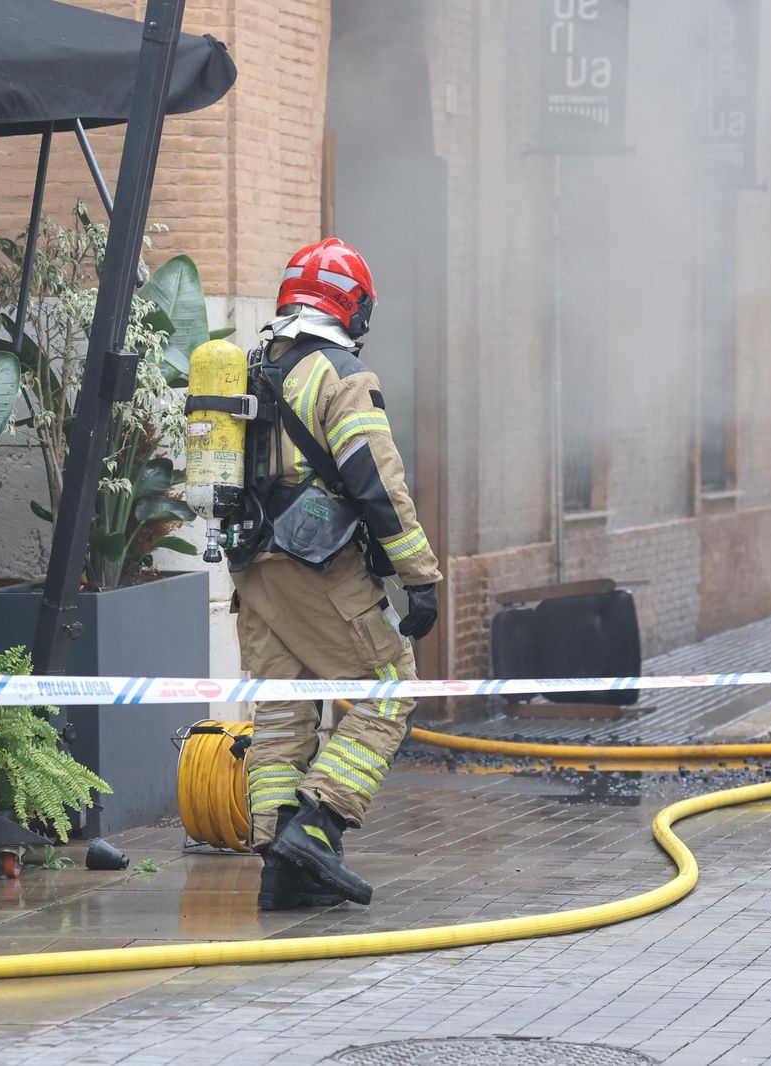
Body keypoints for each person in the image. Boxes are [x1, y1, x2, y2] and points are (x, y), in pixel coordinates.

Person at [229, 238, 441, 909]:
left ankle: (281, 872)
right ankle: (319, 825)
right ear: (353, 306)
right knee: (390, 689)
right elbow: (376, 482)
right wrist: (419, 574)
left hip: (252, 570)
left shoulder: (254, 367)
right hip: (318, 568)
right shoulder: (340, 374)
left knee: (284, 712)